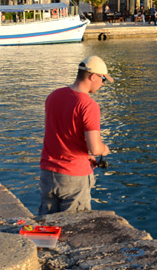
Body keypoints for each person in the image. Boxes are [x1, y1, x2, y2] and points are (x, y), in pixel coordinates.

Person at [39, 55, 112, 214]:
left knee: (47, 228)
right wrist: (104, 149)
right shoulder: (89, 105)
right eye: (103, 80)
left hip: (48, 173)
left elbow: (60, 134)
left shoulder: (54, 95)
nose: (102, 84)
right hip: (74, 176)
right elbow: (95, 148)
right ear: (93, 77)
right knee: (74, 229)